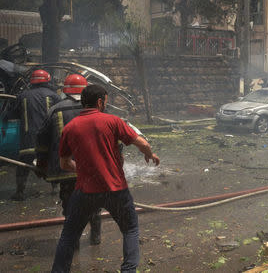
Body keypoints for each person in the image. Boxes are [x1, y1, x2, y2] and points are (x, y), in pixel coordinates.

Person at [51, 84, 160, 273]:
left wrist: (85, 169)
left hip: (85, 192)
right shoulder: (112, 121)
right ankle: (128, 270)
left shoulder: (70, 128)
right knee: (130, 230)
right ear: (100, 102)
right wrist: (150, 154)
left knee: (69, 235)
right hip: (116, 190)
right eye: (106, 101)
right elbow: (141, 142)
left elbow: (64, 164)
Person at [36, 74, 101, 247]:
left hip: (65, 170)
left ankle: (75, 243)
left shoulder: (55, 110)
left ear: (65, 90)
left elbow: (42, 139)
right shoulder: (97, 109)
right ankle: (96, 237)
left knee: (70, 205)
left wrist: (42, 163)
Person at [9, 69, 61, 201]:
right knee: (51, 162)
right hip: (48, 139)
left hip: (28, 139)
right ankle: (55, 189)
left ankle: (19, 192)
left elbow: (13, 114)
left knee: (23, 165)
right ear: (47, 81)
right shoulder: (54, 96)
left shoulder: (22, 95)